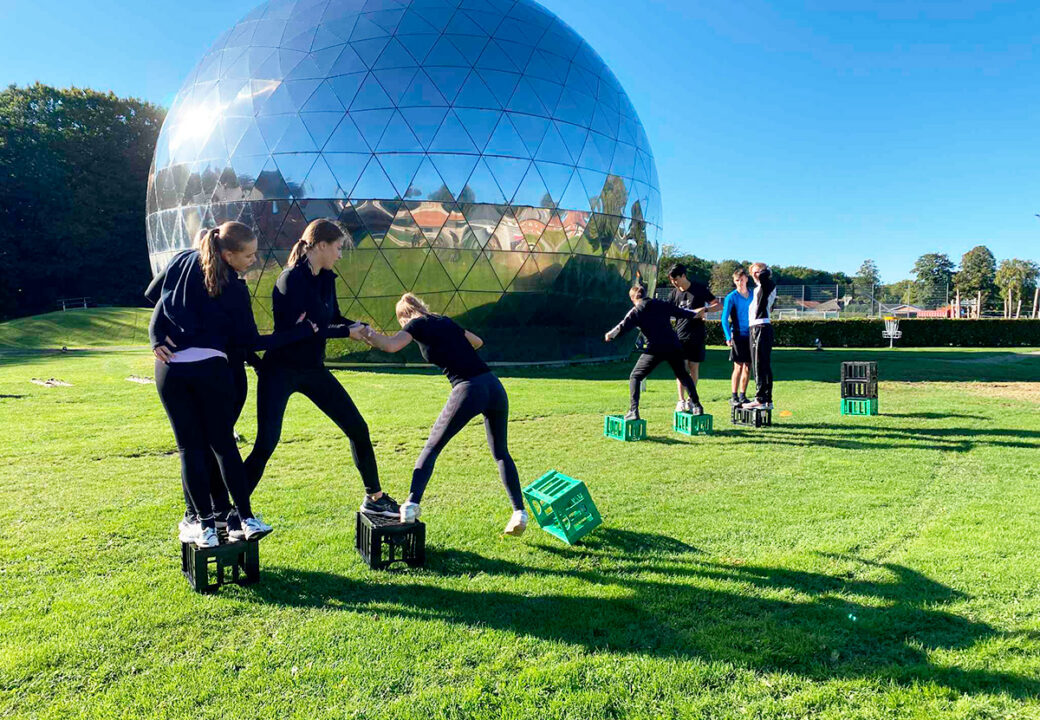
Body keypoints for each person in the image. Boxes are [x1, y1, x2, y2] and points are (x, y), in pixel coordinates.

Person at [148, 221, 317, 548]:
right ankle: (245, 519)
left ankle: (205, 526)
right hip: (211, 370)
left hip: (170, 370)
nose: (253, 260)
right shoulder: (234, 289)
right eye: (249, 255)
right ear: (228, 254)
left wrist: (156, 334)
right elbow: (250, 341)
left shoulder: (183, 260)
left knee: (190, 449)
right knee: (223, 446)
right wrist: (301, 331)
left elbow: (155, 295)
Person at [243, 219, 400, 518]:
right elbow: (305, 330)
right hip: (281, 370)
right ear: (321, 245)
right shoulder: (290, 280)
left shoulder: (326, 278)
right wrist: (340, 332)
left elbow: (329, 319)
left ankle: (374, 497)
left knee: (358, 428)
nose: (340, 254)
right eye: (338, 248)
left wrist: (354, 326)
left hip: (313, 369)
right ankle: (231, 508)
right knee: (266, 444)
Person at [359, 293, 527, 535]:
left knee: (431, 447)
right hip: (494, 386)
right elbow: (477, 341)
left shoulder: (415, 324)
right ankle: (519, 512)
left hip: (468, 388)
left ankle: (411, 505)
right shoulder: (445, 320)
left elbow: (391, 345)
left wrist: (366, 333)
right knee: (501, 453)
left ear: (403, 318)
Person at [604, 284, 706, 420]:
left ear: (633, 299)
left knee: (635, 376)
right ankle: (697, 406)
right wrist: (696, 314)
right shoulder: (660, 303)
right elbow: (681, 312)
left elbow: (622, 326)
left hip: (655, 348)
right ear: (646, 294)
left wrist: (609, 336)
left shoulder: (636, 310)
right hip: (673, 345)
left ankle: (634, 411)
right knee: (683, 375)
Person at [666, 264, 721, 412]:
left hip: (696, 335)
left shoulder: (699, 289)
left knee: (693, 367)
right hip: (679, 336)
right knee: (680, 368)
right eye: (672, 281)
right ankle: (681, 400)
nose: (674, 283)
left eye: (676, 279)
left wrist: (705, 310)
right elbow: (667, 312)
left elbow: (718, 305)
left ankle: (691, 398)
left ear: (683, 276)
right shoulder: (673, 294)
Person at [744, 262, 777, 410]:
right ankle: (767, 399)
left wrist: (765, 270)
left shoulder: (767, 284)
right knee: (762, 363)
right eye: (753, 272)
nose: (756, 275)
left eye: (759, 272)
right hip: (756, 327)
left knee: (759, 364)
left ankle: (761, 399)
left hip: (761, 327)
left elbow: (764, 277)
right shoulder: (758, 288)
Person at [721, 268, 754, 407]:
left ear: (746, 279)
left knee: (748, 366)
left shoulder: (753, 294)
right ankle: (734, 395)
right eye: (737, 280)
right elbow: (724, 318)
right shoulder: (731, 297)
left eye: (742, 279)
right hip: (738, 335)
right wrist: (728, 336)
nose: (740, 282)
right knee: (738, 366)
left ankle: (743, 395)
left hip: (752, 334)